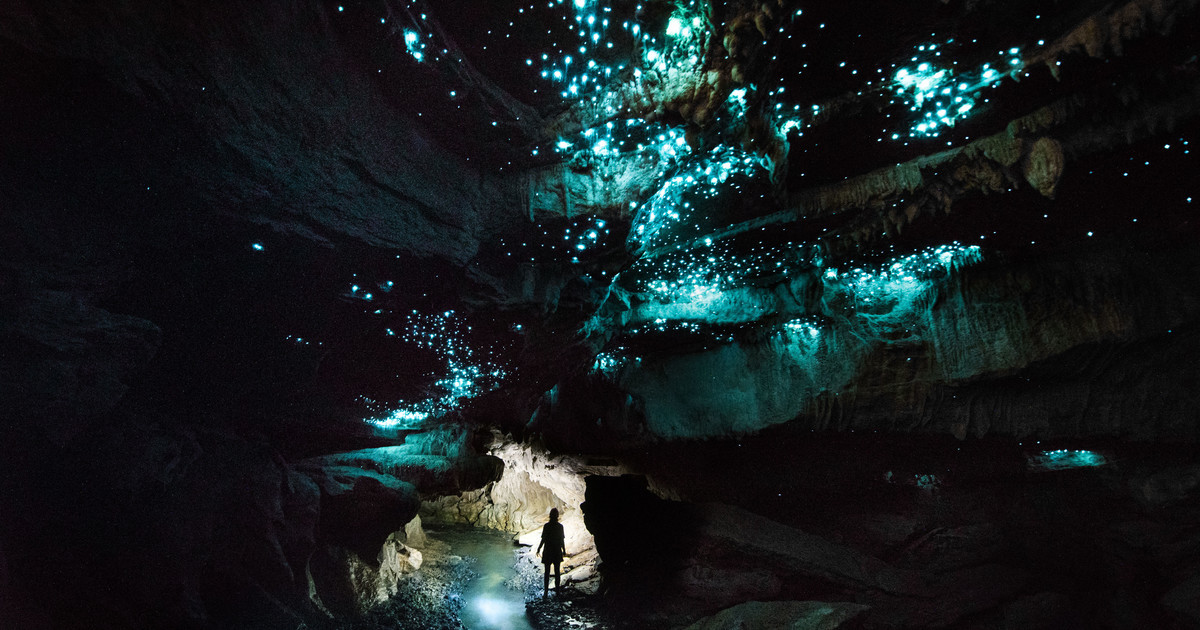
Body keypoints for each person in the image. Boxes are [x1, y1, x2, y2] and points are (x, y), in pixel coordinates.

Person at [535, 508, 566, 597]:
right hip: (556, 551)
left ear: (550, 515)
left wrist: (539, 549)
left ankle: (545, 592)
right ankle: (557, 592)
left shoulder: (547, 526)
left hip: (548, 551)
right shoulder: (560, 527)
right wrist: (564, 550)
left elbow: (543, 539)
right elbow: (561, 540)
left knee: (547, 573)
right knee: (557, 572)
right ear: (557, 516)